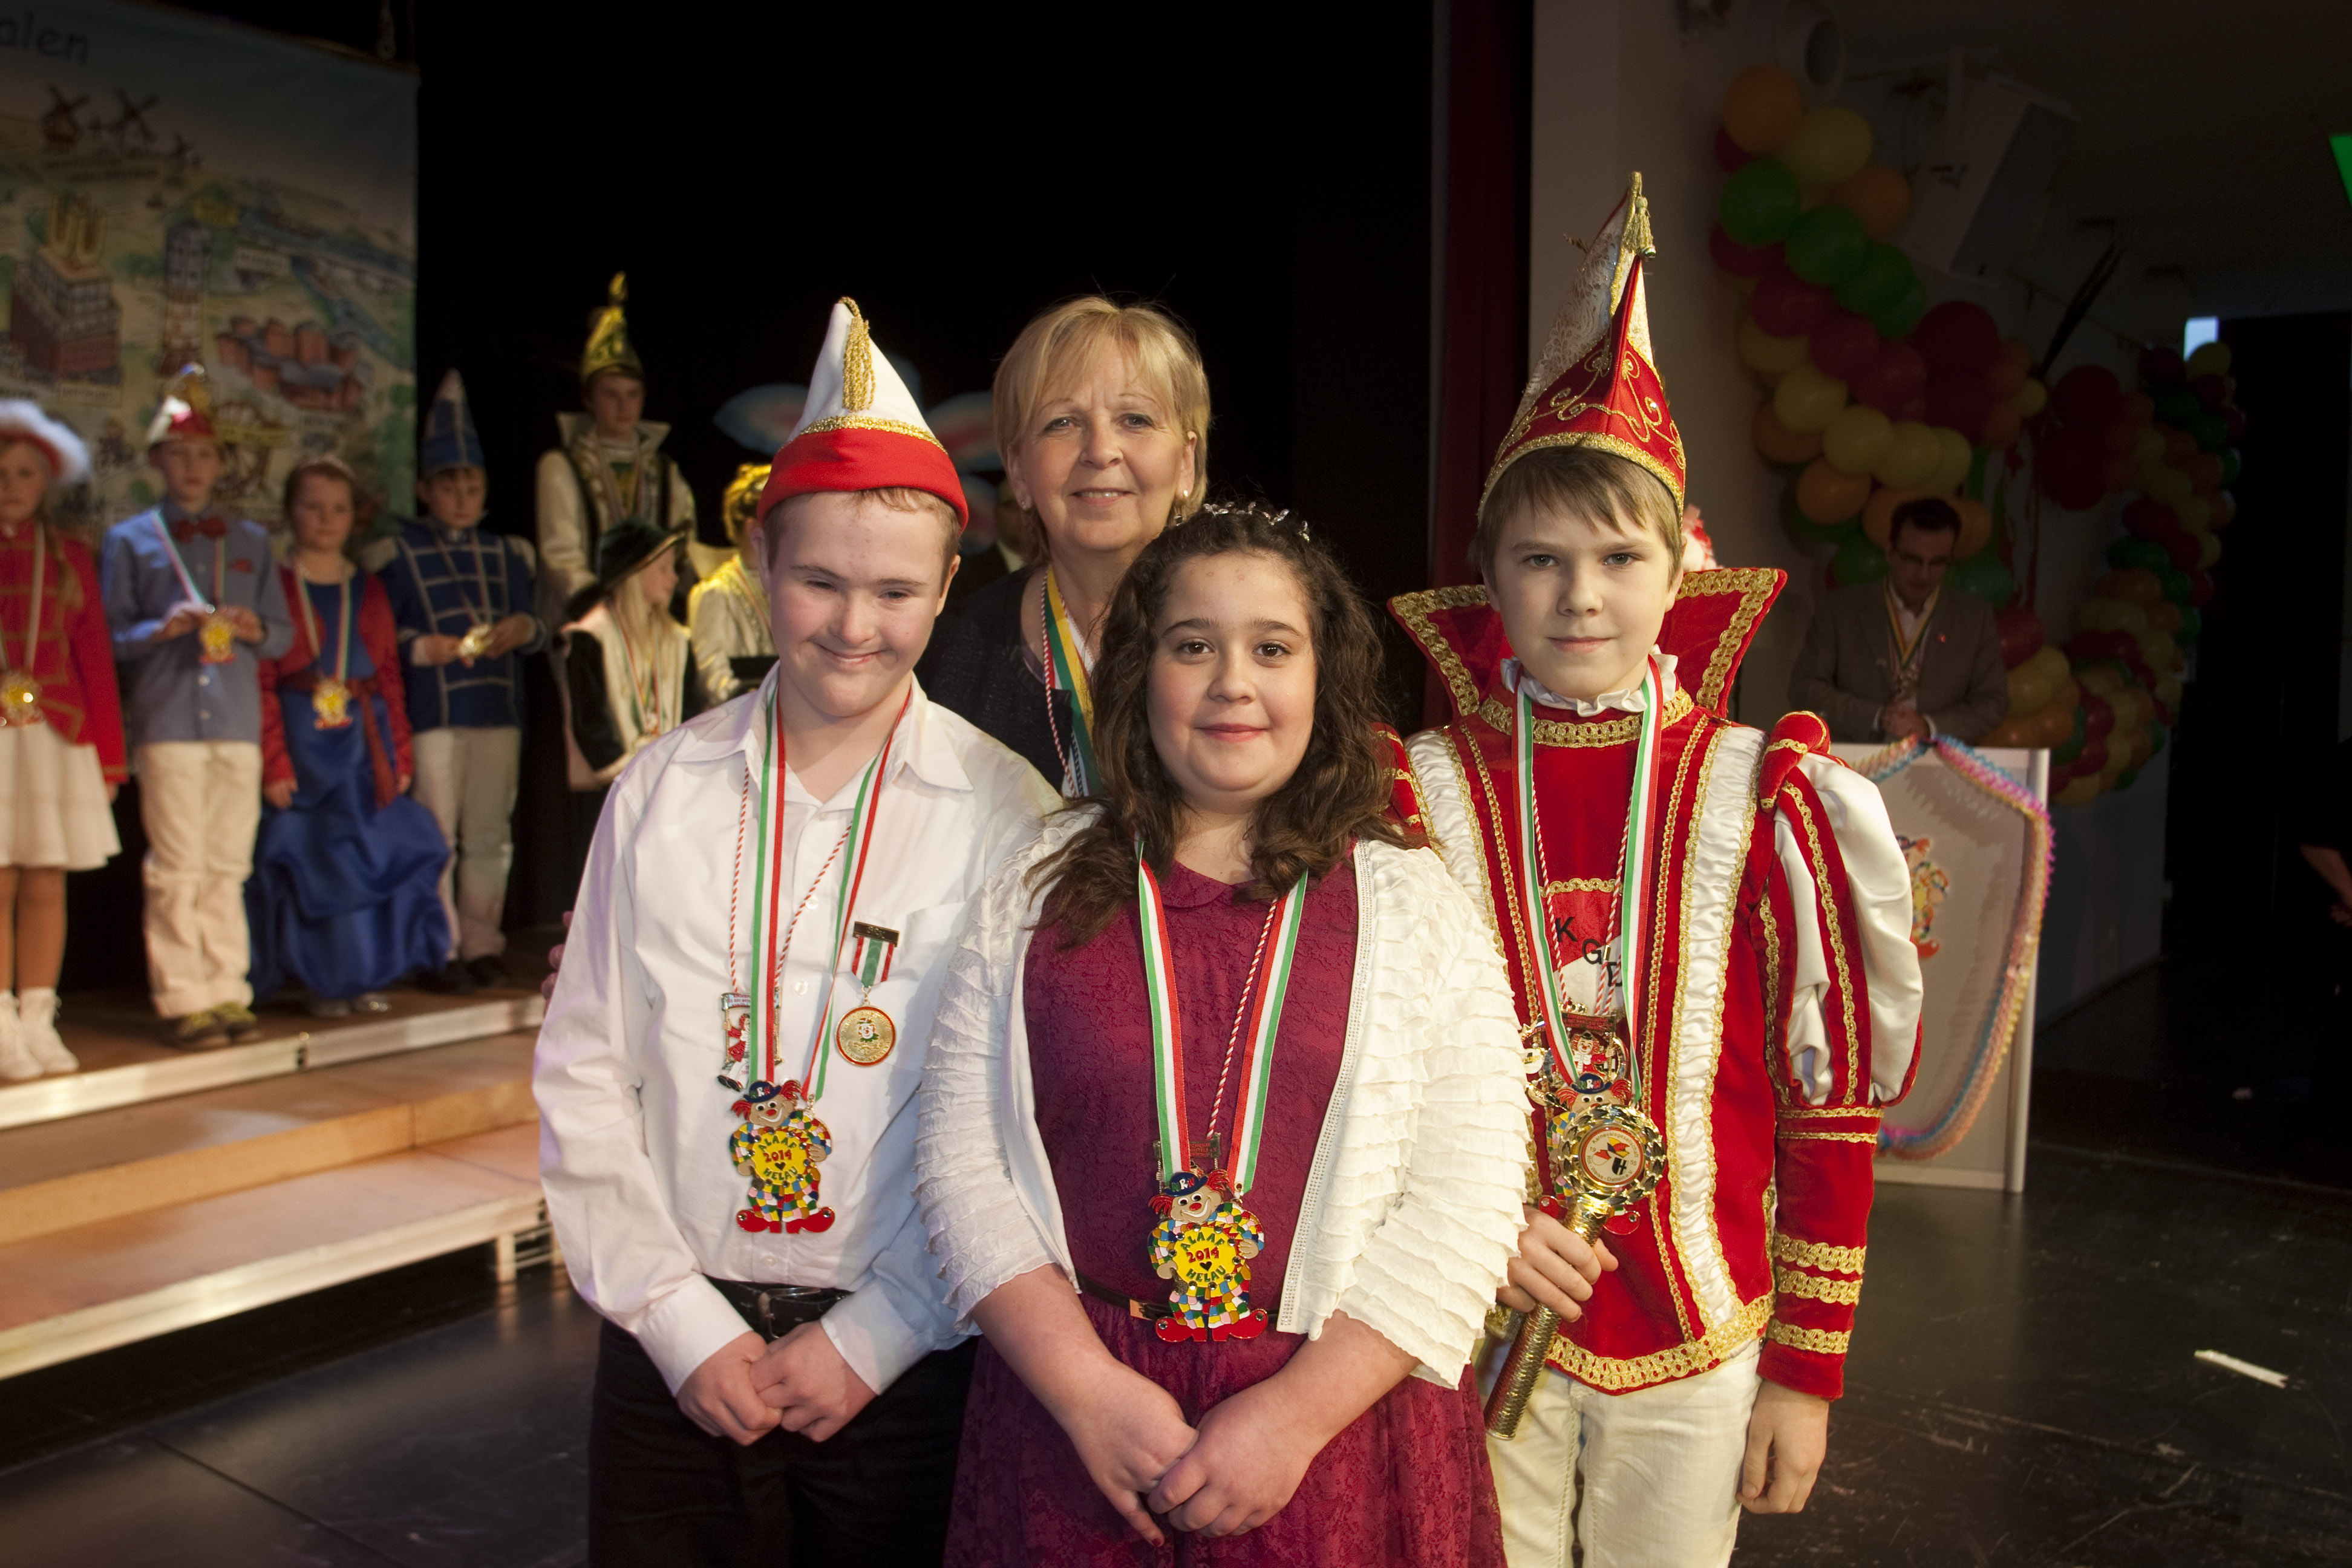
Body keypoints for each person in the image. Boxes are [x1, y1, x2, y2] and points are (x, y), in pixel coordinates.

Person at [1390, 176, 1923, 1568]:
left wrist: (1807, 1371)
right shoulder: (1411, 795)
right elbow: (1367, 1068)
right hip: (1470, 1308)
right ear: (1488, 576)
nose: (1580, 595)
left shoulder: (1770, 793)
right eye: (1541, 559)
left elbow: (1828, 1100)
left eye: (1618, 557)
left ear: (1677, 571)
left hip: (1700, 1336)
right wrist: (1475, 1225)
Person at [535, 296, 1058, 1565]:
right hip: (674, 1351)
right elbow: (585, 1070)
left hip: (907, 1359)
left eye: (895, 591)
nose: (853, 626)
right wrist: (677, 1322)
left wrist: (878, 1334)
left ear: (948, 585)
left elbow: (1020, 1110)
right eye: (819, 580)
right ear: (761, 559)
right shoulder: (661, 790)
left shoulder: (1008, 813)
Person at [916, 503, 1528, 1564]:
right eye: (1193, 645)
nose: (1232, 682)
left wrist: (1291, 1420)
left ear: (1322, 676)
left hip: (1335, 1434)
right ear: (1139, 668)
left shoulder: (1411, 899)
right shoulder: (1035, 881)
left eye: (1272, 649)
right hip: (1082, 1428)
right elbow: (960, 1159)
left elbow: (1468, 1196)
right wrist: (1086, 1392)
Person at [917, 296, 1207, 791]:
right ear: (1018, 472)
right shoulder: (947, 657)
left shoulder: (1257, 645)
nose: (1100, 451)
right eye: (1062, 423)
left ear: (1186, 463)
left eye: (1135, 419)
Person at [100, 365, 293, 1046]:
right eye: (179, 454)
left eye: (204, 455)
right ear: (158, 460)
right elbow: (110, 638)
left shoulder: (251, 542)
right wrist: (161, 630)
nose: (192, 467)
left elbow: (282, 635)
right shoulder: (130, 540)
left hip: (236, 723)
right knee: (178, 865)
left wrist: (253, 627)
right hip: (170, 722)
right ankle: (185, 996)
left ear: (220, 464)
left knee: (228, 864)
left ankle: (229, 991)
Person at [249, 457, 450, 1018]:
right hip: (302, 742)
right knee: (314, 857)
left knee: (367, 852)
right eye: (312, 507)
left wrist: (400, 754)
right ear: (291, 512)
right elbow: (262, 679)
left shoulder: (370, 590)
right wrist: (274, 760)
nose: (325, 519)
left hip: (363, 743)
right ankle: (322, 981)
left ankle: (362, 975)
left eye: (338, 509)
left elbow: (388, 676)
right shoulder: (274, 587)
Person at [381, 370, 543, 993]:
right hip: (435, 713)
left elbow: (539, 627)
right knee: (436, 837)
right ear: (426, 490)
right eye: (449, 486)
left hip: (496, 710)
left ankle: (481, 943)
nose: (462, 497)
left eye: (472, 486)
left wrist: (522, 627)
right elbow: (383, 636)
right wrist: (427, 648)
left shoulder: (510, 553)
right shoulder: (399, 554)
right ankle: (437, 946)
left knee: (489, 837)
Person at [0, 402, 122, 1080]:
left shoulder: (70, 556)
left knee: (46, 877)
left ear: (45, 481)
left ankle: (37, 1018)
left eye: (24, 473)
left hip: (55, 733)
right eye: (0, 474)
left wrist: (110, 757)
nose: (11, 485)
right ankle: (0, 1023)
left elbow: (94, 658)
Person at [537, 273, 705, 629]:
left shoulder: (663, 470)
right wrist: (603, 609)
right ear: (588, 399)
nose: (623, 406)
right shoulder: (562, 466)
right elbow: (561, 555)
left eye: (632, 395)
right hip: (587, 623)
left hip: (653, 620)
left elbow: (684, 543)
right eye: (610, 395)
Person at [1788, 495, 2008, 743]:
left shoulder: (1975, 618)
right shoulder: (1839, 610)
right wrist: (1877, 716)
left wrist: (1929, 726)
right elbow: (1804, 688)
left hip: (1939, 759)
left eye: (1937, 563)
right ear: (1890, 553)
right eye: (1913, 560)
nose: (1923, 575)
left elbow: (1993, 703)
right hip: (1854, 758)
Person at [560, 514, 701, 795]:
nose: (674, 578)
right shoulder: (592, 636)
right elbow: (590, 723)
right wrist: (625, 773)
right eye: (663, 569)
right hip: (612, 789)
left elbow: (690, 712)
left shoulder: (677, 640)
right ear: (635, 573)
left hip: (668, 784)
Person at [687, 462, 777, 704]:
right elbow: (713, 678)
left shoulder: (789, 584)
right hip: (741, 717)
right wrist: (760, 706)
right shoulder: (716, 593)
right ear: (752, 528)